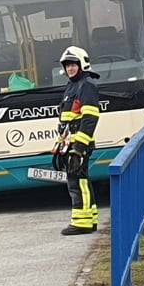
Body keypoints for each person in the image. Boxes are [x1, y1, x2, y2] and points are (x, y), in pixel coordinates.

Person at [55, 46, 101, 235]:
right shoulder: (72, 85)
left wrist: (78, 149)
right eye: (67, 66)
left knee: (77, 182)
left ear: (82, 64)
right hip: (71, 144)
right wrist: (61, 147)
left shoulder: (86, 85)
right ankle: (90, 219)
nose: (70, 69)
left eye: (73, 65)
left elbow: (90, 119)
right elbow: (67, 121)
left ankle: (81, 223)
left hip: (79, 144)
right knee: (79, 180)